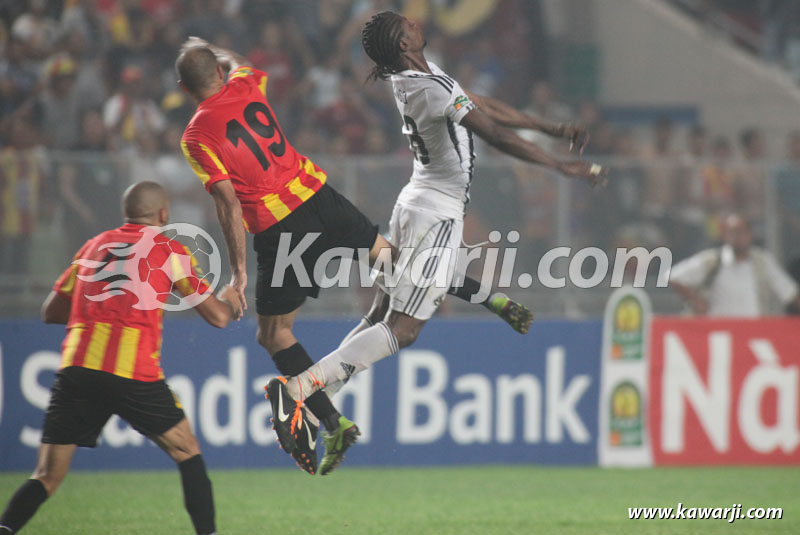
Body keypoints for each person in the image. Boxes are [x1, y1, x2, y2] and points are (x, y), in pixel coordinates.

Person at [175, 37, 533, 475]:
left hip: (281, 227)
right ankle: (491, 298)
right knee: (397, 261)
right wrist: (214, 49)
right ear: (218, 72)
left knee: (275, 335)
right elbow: (245, 61)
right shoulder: (244, 85)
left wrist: (238, 273)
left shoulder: (195, 136)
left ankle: (333, 422)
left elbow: (227, 202)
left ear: (184, 87)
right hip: (322, 198)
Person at [272, 10, 608, 475]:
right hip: (437, 213)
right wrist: (558, 166)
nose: (415, 21)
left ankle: (321, 411)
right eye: (406, 24)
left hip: (415, 204)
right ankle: (299, 389)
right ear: (405, 44)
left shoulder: (421, 80)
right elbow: (492, 132)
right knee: (404, 330)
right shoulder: (431, 88)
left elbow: (486, 106)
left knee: (379, 316)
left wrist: (550, 128)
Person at [0, 181, 241, 535]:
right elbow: (217, 317)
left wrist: (95, 311)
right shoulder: (169, 250)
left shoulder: (93, 246)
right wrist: (230, 298)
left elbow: (51, 311)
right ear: (163, 213)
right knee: (187, 451)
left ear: (126, 212)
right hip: (133, 371)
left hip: (77, 367)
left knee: (47, 476)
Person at [670, 214, 800, 316]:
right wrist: (697, 302)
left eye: (741, 232)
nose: (737, 237)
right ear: (726, 235)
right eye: (732, 232)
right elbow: (674, 277)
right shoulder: (713, 261)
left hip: (755, 333)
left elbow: (789, 292)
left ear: (750, 234)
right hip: (720, 334)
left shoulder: (762, 263)